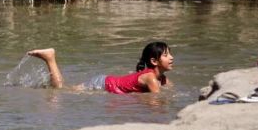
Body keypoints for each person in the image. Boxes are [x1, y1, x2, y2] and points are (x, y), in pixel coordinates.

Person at [27, 41, 173, 94]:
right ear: (154, 61)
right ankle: (50, 59)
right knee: (61, 90)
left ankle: (50, 59)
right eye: (166, 55)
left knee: (64, 89)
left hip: (105, 82)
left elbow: (172, 90)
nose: (171, 58)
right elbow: (156, 102)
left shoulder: (162, 79)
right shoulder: (151, 78)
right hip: (102, 84)